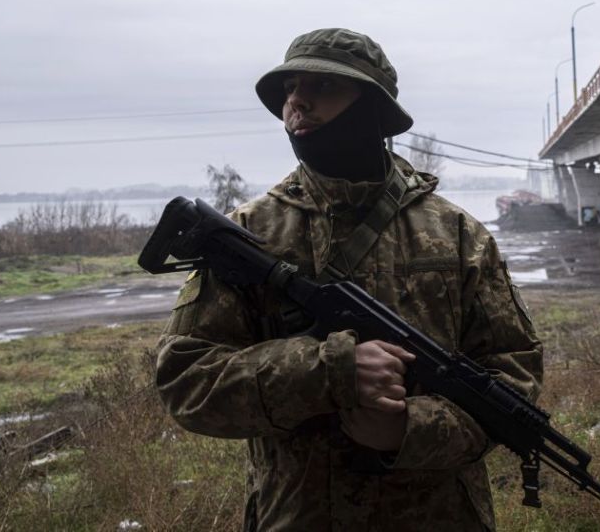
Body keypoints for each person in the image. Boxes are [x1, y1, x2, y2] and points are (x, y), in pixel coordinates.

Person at [155, 28, 544, 531]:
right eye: (292, 88)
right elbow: (187, 382)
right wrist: (328, 371)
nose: (298, 102)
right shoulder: (251, 234)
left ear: (372, 109)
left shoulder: (458, 236)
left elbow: (514, 376)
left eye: (324, 87)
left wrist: (409, 428)